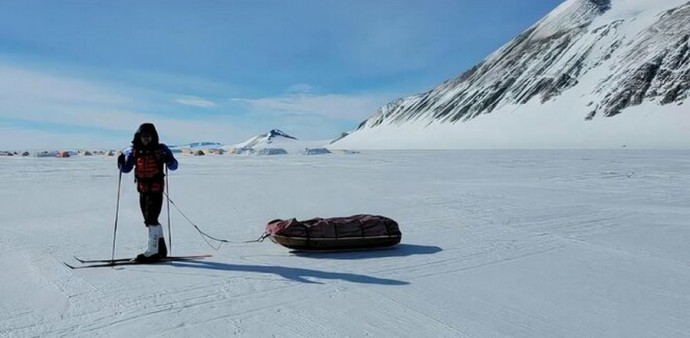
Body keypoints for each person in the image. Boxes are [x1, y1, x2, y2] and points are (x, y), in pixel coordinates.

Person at [117, 123, 178, 261]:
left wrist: (169, 160)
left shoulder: (161, 149)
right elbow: (126, 169)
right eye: (143, 136)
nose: (146, 139)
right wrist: (120, 162)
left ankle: (153, 251)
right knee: (149, 219)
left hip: (156, 188)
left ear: (153, 136)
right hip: (142, 189)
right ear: (139, 137)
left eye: (148, 136)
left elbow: (174, 166)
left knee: (151, 218)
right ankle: (160, 246)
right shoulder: (134, 151)